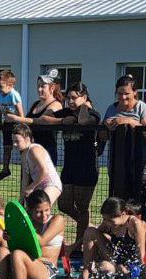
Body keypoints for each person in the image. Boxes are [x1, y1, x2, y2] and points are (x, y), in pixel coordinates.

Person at [43, 82, 101, 252]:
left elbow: (84, 121)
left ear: (84, 97)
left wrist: (85, 107)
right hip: (69, 167)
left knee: (83, 207)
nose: (70, 101)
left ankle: (79, 243)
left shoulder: (93, 114)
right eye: (68, 97)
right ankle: (88, 226)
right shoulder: (66, 113)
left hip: (87, 167)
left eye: (75, 97)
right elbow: (45, 117)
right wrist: (61, 120)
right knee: (64, 204)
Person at [0, 190, 66, 279]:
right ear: (30, 211)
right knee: (2, 248)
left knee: (17, 254)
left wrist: (21, 228)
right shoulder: (28, 222)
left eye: (47, 210)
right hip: (23, 270)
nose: (44, 215)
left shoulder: (58, 220)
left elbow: (42, 241)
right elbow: (15, 246)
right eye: (38, 212)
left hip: (46, 272)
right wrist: (10, 235)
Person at [101, 74, 146, 200]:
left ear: (135, 93)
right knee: (118, 201)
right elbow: (102, 137)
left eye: (126, 93)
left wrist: (130, 122)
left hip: (140, 163)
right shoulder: (111, 109)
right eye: (119, 93)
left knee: (138, 201)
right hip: (117, 164)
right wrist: (105, 125)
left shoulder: (142, 108)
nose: (123, 97)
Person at [79, 196, 146, 279]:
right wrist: (72, 247)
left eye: (110, 220)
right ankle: (85, 273)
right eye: (104, 219)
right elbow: (91, 236)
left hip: (129, 266)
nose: (107, 223)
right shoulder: (108, 223)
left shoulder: (135, 224)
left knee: (105, 266)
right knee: (90, 231)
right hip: (114, 259)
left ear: (123, 214)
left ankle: (100, 270)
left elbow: (141, 254)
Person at [17, 69, 64, 167]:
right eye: (38, 86)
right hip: (30, 151)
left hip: (46, 152)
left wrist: (17, 119)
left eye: (43, 86)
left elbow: (42, 120)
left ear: (52, 88)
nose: (39, 89)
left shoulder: (56, 105)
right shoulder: (36, 104)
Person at [13, 125, 62, 205]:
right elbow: (25, 179)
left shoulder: (34, 150)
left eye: (17, 141)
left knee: (41, 206)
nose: (14, 144)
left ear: (27, 139)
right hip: (39, 185)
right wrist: (21, 200)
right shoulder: (23, 155)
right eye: (13, 141)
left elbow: (45, 171)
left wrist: (31, 187)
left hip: (51, 184)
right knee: (32, 211)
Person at [0, 70, 26, 180]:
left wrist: (21, 125)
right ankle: (5, 169)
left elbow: (21, 113)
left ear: (10, 85)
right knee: (7, 147)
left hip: (16, 124)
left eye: (1, 86)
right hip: (7, 124)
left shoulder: (14, 95)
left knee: (21, 147)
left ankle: (26, 167)